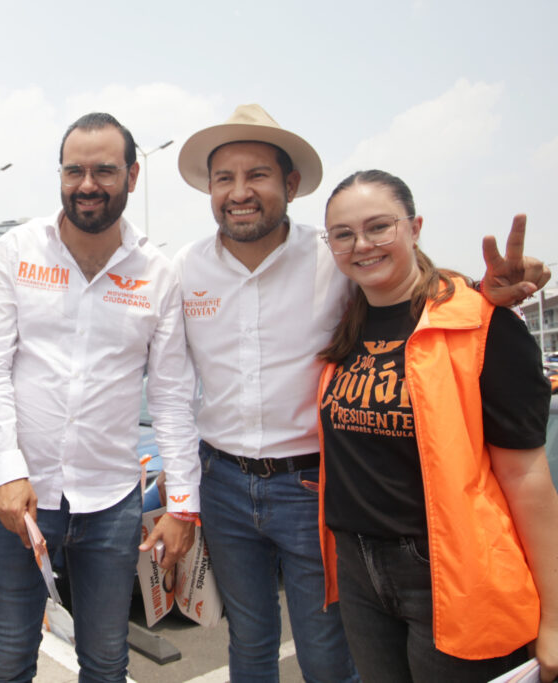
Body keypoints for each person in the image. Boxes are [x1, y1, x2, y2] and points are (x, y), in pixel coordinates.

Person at [173, 103, 552, 682]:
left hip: (314, 487)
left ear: (290, 184)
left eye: (257, 175)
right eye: (224, 177)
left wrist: (485, 294)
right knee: (248, 641)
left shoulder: (334, 258)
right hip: (222, 481)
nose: (239, 191)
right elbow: (172, 385)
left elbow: (411, 288)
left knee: (328, 654)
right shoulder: (185, 269)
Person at [0, 112, 199, 682]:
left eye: (104, 170)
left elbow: (171, 396)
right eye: (74, 170)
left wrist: (182, 505)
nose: (88, 184)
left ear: (133, 174)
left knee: (105, 662)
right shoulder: (19, 250)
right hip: (20, 502)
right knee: (6, 660)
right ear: (60, 175)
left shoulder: (157, 273)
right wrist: (4, 471)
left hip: (112, 505)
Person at [316, 170, 557, 682]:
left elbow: (527, 478)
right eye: (343, 234)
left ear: (415, 226)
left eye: (379, 226)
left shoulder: (482, 323)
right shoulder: (344, 327)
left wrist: (555, 615)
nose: (362, 245)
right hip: (358, 569)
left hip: (453, 571)